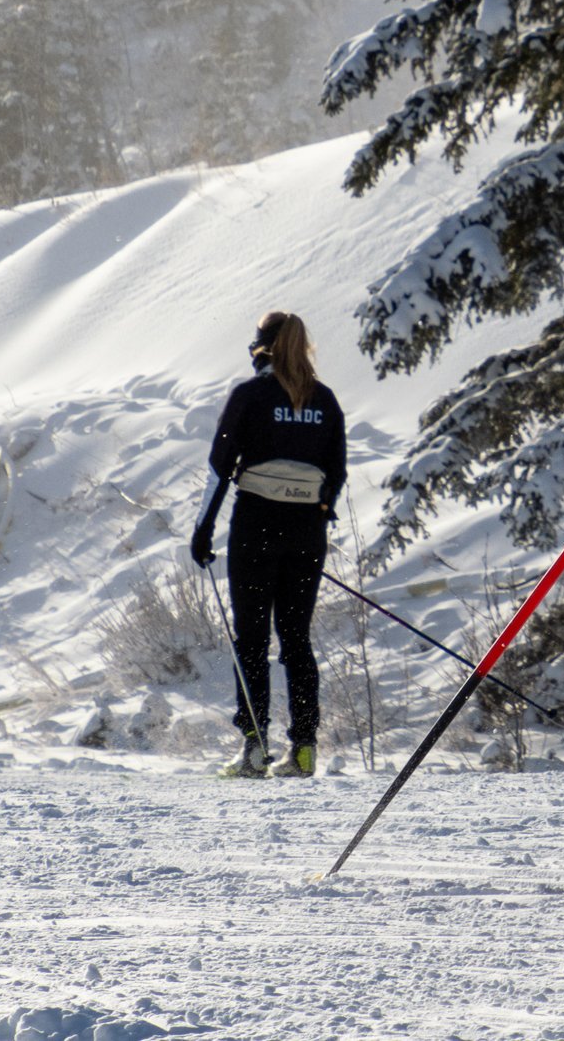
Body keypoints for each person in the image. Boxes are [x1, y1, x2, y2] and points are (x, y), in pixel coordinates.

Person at [189, 311, 348, 779]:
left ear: (260, 347)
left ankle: (255, 748)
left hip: (255, 527)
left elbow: (220, 468)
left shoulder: (250, 396)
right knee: (296, 639)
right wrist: (319, 512)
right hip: (306, 535)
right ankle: (303, 749)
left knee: (253, 639)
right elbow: (335, 472)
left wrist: (202, 532)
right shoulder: (325, 400)